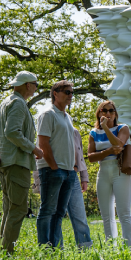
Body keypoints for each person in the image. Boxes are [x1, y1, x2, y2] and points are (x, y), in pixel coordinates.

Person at [0, 71, 45, 254]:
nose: (36, 88)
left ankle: (4, 251)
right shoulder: (18, 104)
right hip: (17, 163)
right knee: (18, 209)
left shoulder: (5, 103)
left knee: (9, 208)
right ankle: (7, 252)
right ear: (28, 85)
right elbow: (12, 132)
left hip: (6, 164)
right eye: (36, 84)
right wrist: (34, 148)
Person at [32, 119, 93, 248]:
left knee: (79, 214)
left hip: (73, 175)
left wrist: (84, 177)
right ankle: (57, 248)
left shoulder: (75, 132)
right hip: (54, 174)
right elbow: (40, 156)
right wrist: (38, 182)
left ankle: (86, 247)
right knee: (54, 214)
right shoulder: (49, 129)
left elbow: (80, 156)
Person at [35, 80, 78, 247]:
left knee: (59, 213)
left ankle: (55, 249)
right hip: (52, 170)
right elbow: (43, 143)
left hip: (68, 171)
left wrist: (72, 168)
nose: (70, 95)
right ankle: (43, 249)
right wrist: (54, 167)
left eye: (72, 92)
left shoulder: (68, 117)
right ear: (55, 93)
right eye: (67, 92)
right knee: (47, 211)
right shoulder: (48, 114)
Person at [87, 99, 131, 247]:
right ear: (99, 113)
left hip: (119, 170)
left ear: (115, 114)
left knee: (124, 213)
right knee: (106, 215)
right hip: (103, 171)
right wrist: (108, 151)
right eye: (104, 110)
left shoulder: (122, 128)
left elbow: (119, 144)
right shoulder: (93, 133)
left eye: (111, 110)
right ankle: (110, 247)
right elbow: (91, 157)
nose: (108, 113)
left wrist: (106, 128)